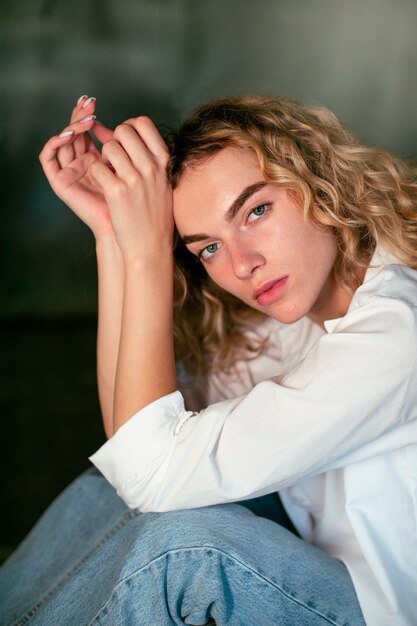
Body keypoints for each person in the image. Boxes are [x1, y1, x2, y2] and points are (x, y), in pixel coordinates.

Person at [0, 94, 416, 626]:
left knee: (187, 552)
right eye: (208, 249)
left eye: (256, 211)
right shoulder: (294, 318)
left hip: (387, 611)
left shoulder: (396, 331)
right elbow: (133, 453)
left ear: (318, 181)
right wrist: (112, 235)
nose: (243, 264)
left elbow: (150, 469)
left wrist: (148, 249)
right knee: (105, 497)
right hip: (320, 556)